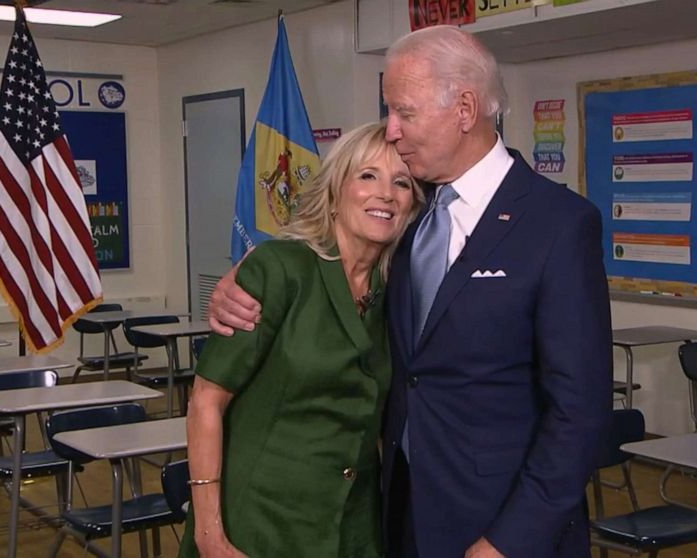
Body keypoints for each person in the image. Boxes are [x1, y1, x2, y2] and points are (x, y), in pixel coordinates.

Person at [208, 26, 612, 558]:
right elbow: (334, 259)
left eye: (405, 112)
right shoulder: (412, 219)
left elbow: (579, 414)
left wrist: (509, 540)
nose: (392, 131)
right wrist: (245, 270)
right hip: (400, 516)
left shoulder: (558, 224)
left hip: (503, 524)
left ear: (464, 109)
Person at [181, 121, 423, 558]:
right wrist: (208, 532)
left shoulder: (399, 292)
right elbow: (204, 400)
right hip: (260, 522)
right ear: (334, 192)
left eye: (401, 182)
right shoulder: (279, 269)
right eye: (367, 176)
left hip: (353, 527)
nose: (386, 193)